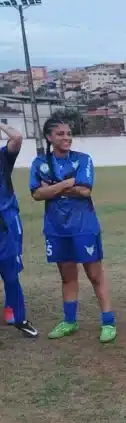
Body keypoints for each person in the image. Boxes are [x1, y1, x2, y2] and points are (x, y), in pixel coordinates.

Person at [29, 117, 117, 343]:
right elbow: (37, 194)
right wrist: (67, 184)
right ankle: (70, 321)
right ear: (49, 137)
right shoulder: (39, 163)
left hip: (83, 226)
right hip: (56, 228)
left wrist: (52, 189)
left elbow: (85, 191)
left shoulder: (83, 160)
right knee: (67, 277)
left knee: (95, 276)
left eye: (69, 133)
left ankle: (108, 322)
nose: (66, 137)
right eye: (60, 134)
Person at [0, 122, 37, 337]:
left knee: (11, 271)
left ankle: (14, 311)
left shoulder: (3, 157)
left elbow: (17, 137)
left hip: (7, 221)